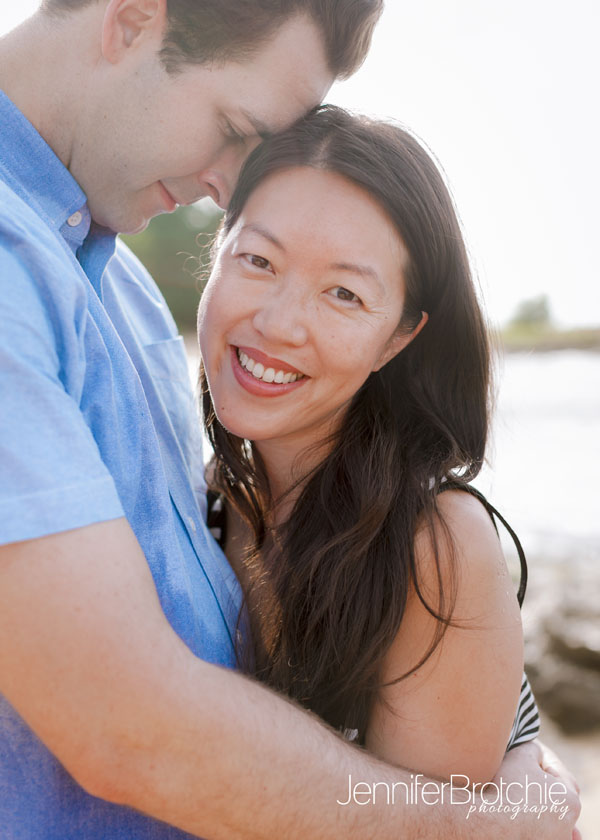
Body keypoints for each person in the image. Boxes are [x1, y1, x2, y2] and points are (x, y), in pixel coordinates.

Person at [0, 0, 580, 838]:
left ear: (401, 336)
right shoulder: (24, 277)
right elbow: (125, 727)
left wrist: (514, 746)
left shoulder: (122, 289)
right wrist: (494, 821)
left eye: (344, 293)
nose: (226, 186)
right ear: (129, 20)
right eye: (234, 127)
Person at [199, 105, 540, 782]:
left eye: (344, 294)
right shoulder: (208, 494)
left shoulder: (433, 546)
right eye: (259, 260)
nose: (279, 324)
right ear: (218, 251)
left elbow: (437, 824)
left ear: (398, 338)